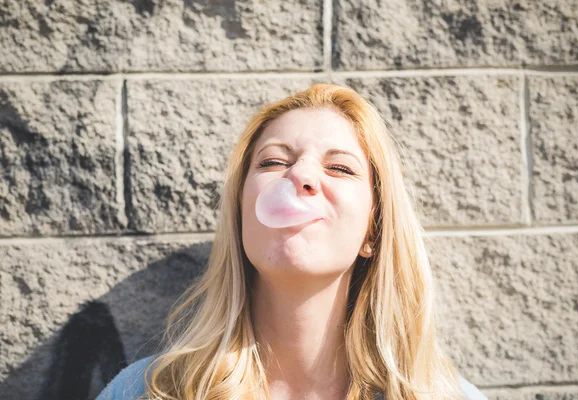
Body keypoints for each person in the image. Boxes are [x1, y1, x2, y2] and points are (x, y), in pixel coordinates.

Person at [97, 83, 488, 400]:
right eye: (273, 162)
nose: (300, 175)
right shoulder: (144, 392)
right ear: (240, 214)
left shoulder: (445, 396)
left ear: (372, 231)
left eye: (339, 167)